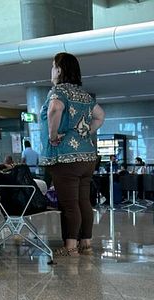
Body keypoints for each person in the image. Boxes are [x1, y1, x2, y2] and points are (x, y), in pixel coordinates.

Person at [39, 51, 105, 258]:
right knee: (83, 201)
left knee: (69, 204)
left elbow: (55, 109)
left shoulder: (58, 91)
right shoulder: (84, 95)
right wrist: (85, 132)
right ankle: (85, 242)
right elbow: (100, 116)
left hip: (65, 157)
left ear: (59, 69)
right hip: (87, 158)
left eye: (52, 66)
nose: (51, 70)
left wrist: (53, 136)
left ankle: (70, 247)